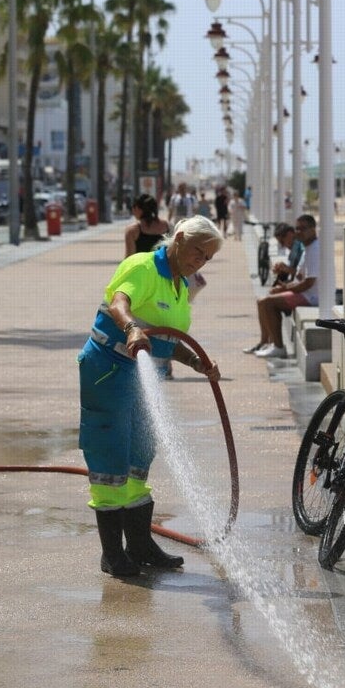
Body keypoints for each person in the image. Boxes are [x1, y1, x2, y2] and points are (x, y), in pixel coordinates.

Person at [77, 215, 223, 577]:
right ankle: (112, 554)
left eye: (207, 258)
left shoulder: (179, 284)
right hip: (110, 368)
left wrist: (197, 362)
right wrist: (130, 328)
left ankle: (140, 545)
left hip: (145, 377)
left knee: (139, 456)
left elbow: (167, 342)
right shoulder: (143, 266)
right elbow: (119, 302)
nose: (199, 261)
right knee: (111, 456)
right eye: (197, 252)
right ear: (181, 237)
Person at [244, 214, 319, 359]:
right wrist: (285, 285)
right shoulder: (308, 248)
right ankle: (265, 342)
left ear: (313, 229)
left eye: (303, 228)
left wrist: (285, 288)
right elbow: (299, 277)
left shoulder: (315, 250)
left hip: (312, 297)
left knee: (268, 303)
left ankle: (278, 347)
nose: (298, 232)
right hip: (306, 293)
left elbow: (307, 284)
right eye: (297, 228)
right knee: (262, 301)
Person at [124, 193, 170, 257]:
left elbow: (129, 258)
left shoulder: (132, 231)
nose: (133, 211)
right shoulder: (167, 226)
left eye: (133, 208)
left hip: (142, 266)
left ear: (137, 208)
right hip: (162, 266)